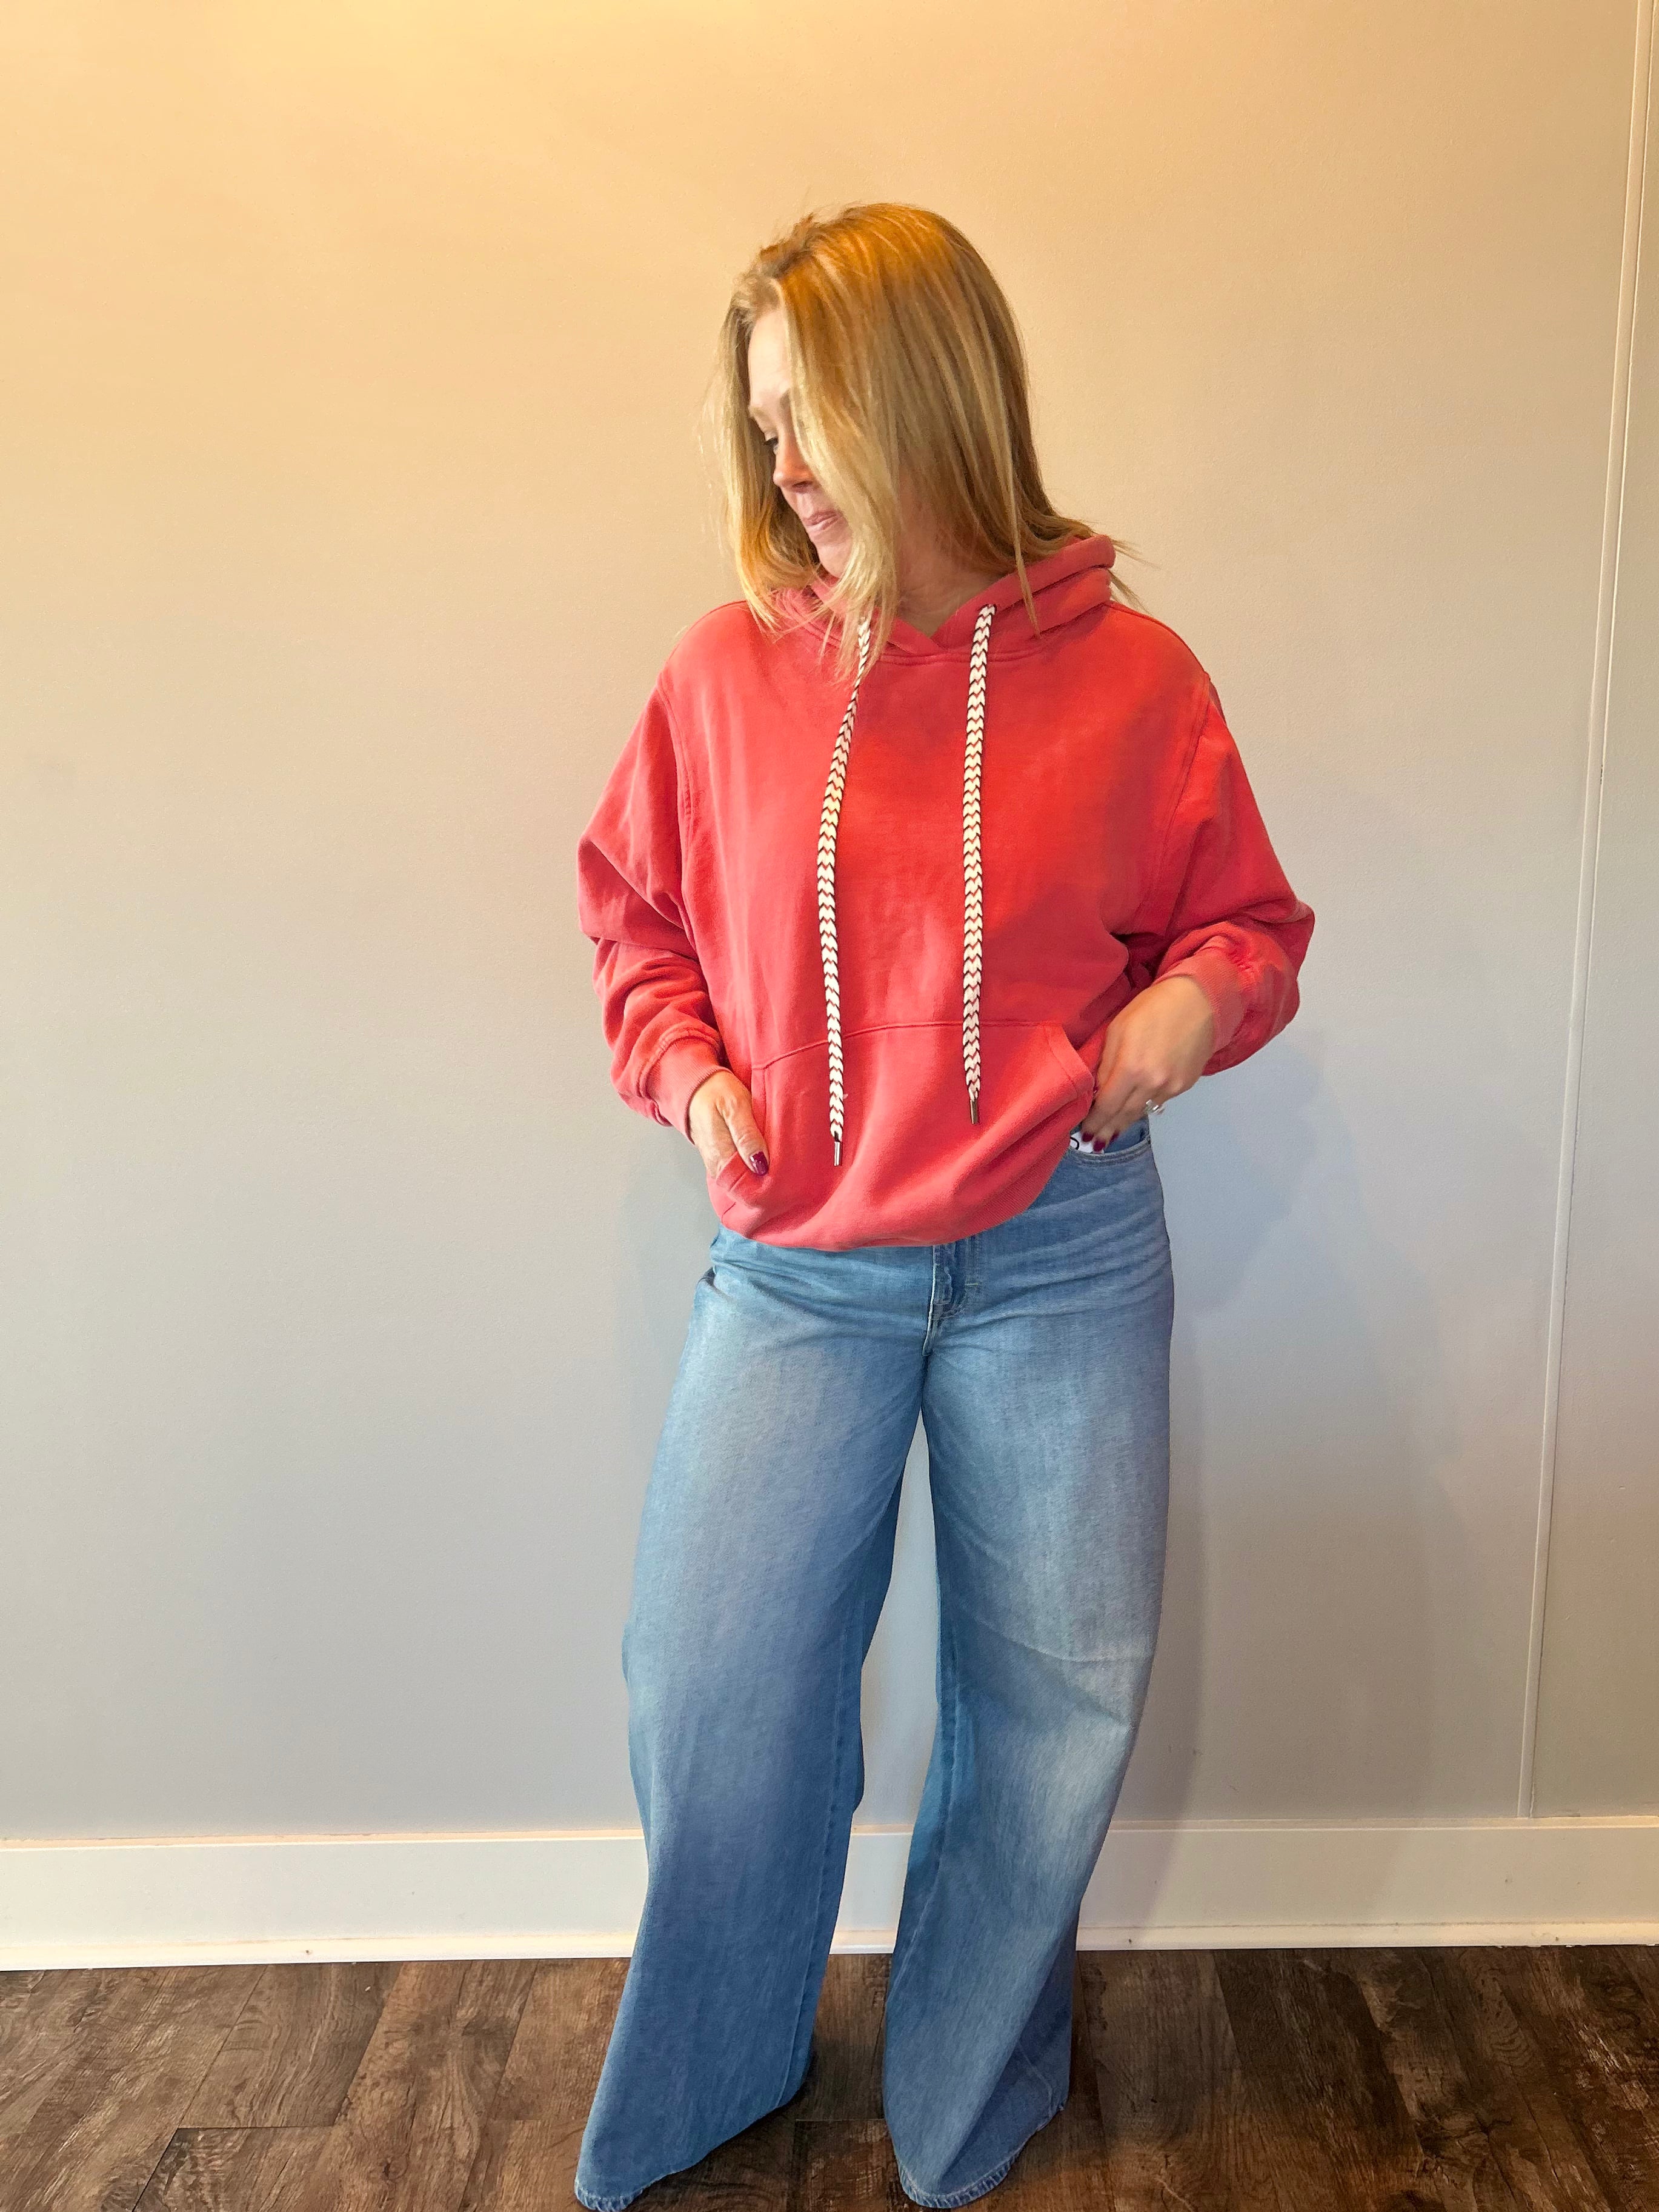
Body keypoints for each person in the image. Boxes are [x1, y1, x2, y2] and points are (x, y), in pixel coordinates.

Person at [572, 202, 1314, 2209]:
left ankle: (966, 2094)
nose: (781, 464)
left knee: (1053, 1701)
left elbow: (1247, 923)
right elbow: (635, 917)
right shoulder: (723, 672)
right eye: (759, 425)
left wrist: (1178, 1016)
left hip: (1058, 1251)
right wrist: (689, 1070)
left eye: (807, 416)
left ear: (922, 393)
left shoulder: (1132, 677)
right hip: (797, 1263)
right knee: (711, 1691)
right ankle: (713, 2069)